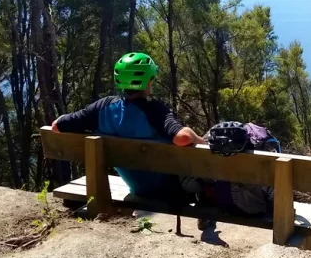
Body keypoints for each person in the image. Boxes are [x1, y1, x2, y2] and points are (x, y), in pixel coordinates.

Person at [51, 52, 204, 198]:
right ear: (149, 81)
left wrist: (65, 117)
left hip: (137, 188)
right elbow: (183, 138)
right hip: (169, 190)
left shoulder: (103, 107)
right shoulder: (154, 111)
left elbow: (56, 126)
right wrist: (201, 140)